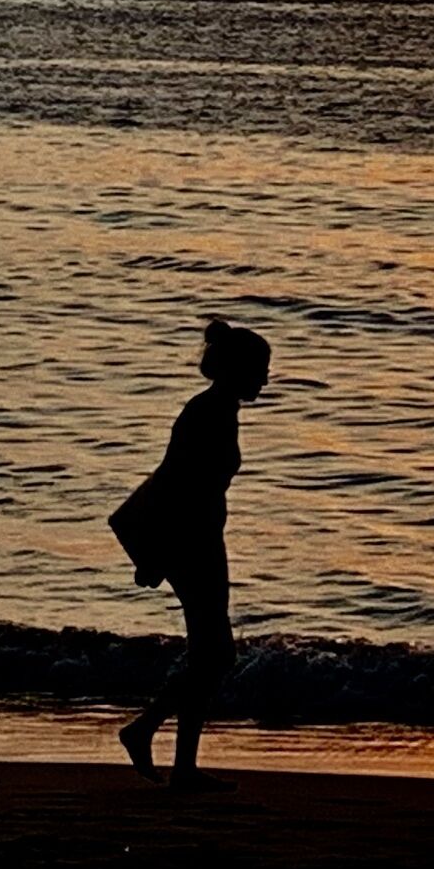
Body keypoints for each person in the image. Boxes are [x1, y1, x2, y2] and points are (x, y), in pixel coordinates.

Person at [112, 319, 272, 780]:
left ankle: (174, 757)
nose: (265, 380)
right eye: (260, 370)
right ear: (238, 369)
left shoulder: (217, 409)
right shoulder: (208, 413)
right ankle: (149, 735)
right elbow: (178, 486)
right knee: (216, 655)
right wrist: (157, 555)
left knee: (209, 654)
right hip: (191, 543)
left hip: (199, 540)